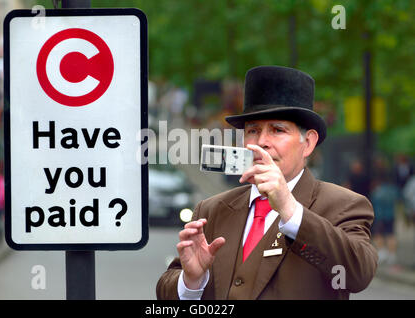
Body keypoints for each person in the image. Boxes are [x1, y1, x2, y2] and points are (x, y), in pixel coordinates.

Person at [156, 66, 378, 300]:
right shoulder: (211, 209)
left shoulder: (344, 204)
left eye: (277, 130)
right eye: (253, 130)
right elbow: (166, 292)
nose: (262, 142)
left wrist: (290, 211)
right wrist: (192, 282)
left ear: (309, 143)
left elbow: (358, 274)